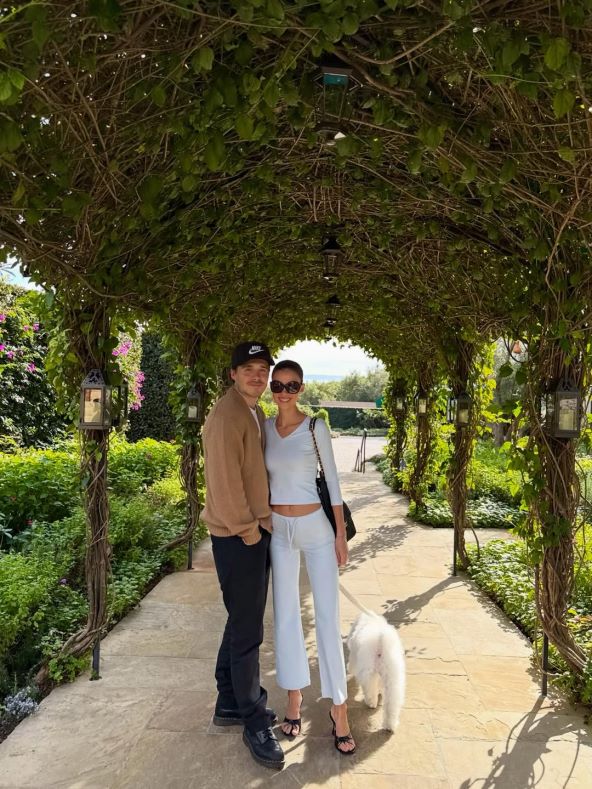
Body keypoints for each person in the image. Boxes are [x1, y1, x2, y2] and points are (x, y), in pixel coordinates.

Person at [264, 360, 356, 755]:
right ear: (271, 387)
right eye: (278, 385)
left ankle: (339, 708)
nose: (284, 392)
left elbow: (332, 482)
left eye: (292, 385)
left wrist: (340, 535)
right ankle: (294, 696)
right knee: (285, 615)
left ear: (301, 389)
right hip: (278, 531)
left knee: (327, 617)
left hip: (316, 528)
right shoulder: (264, 427)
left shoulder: (315, 427)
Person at [202, 341, 285, 770]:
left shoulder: (253, 411)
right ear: (233, 373)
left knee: (240, 619)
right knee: (249, 631)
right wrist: (250, 531)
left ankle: (229, 700)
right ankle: (254, 719)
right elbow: (224, 482)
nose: (257, 375)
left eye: (262, 369)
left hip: (251, 533)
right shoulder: (226, 416)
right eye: (248, 368)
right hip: (239, 537)